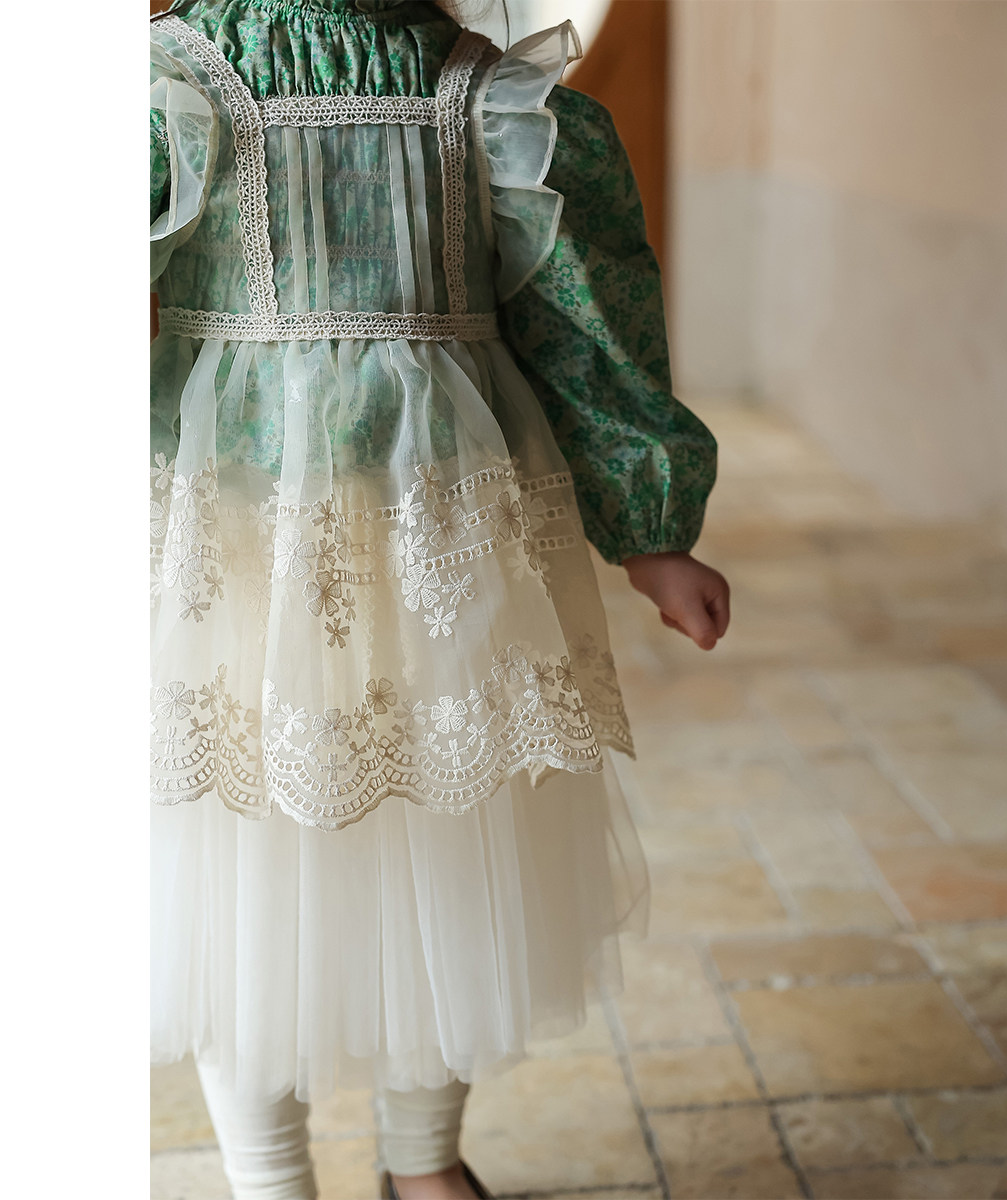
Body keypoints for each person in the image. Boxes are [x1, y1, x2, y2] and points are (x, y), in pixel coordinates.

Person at [149, 1, 729, 1196]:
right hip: (246, 543)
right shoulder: (172, 86)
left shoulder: (485, 96)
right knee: (236, 875)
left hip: (445, 544)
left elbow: (580, 322)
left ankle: (424, 1163)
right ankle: (268, 1175)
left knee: (452, 850)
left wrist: (650, 524)